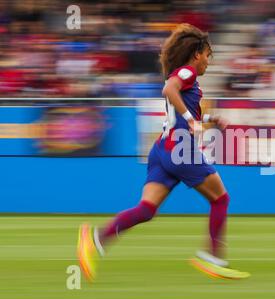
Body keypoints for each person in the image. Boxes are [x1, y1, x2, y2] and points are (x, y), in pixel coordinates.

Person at [77, 23, 250, 282]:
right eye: (207, 56)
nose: (208, 62)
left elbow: (182, 106)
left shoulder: (185, 77)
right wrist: (191, 119)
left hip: (162, 150)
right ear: (196, 54)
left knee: (146, 209)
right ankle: (214, 259)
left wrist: (210, 118)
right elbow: (169, 91)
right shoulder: (187, 72)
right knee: (220, 199)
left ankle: (94, 240)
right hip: (181, 151)